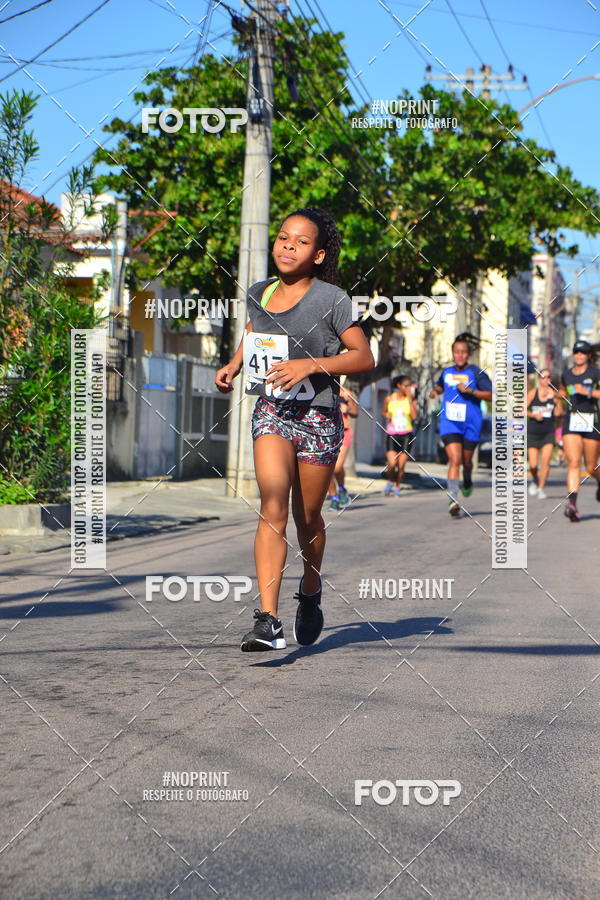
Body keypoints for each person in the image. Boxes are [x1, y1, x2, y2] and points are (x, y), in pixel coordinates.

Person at [215, 207, 374, 651]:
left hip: (319, 418)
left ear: (319, 254)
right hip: (272, 410)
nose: (288, 245)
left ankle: (310, 586)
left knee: (308, 518)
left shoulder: (333, 300)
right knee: (272, 502)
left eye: (301, 241)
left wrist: (310, 364)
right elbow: (255, 329)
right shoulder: (259, 291)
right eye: (283, 237)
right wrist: (234, 362)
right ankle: (267, 620)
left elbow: (363, 357)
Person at [429, 334, 492, 517]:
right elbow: (440, 387)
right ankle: (453, 499)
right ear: (453, 353)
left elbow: (491, 395)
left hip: (471, 423)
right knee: (454, 459)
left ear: (468, 354)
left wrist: (471, 391)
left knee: (466, 462)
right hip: (450, 423)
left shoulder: (476, 373)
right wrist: (435, 392)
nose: (460, 355)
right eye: (457, 352)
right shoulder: (447, 372)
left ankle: (467, 477)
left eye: (463, 352)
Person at [558, 339, 600, 522]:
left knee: (591, 467)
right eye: (576, 352)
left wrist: (588, 392)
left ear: (589, 356)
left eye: (583, 352)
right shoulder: (567, 374)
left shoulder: (596, 373)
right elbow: (563, 391)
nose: (579, 355)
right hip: (572, 421)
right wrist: (560, 397)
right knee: (573, 462)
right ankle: (572, 504)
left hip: (591, 420)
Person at [527, 368, 561, 499]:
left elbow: (558, 414)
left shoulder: (554, 394)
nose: (546, 379)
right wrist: (533, 415)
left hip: (548, 431)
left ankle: (541, 488)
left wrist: (555, 400)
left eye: (548, 377)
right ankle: (535, 480)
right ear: (538, 379)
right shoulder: (532, 393)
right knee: (534, 465)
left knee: (545, 462)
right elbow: (520, 409)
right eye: (543, 377)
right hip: (533, 431)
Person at [382, 375, 418, 497]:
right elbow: (384, 412)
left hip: (406, 435)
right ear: (399, 386)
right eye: (406, 385)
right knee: (392, 464)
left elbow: (414, 417)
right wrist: (387, 415)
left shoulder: (411, 399)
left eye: (409, 386)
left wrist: (410, 400)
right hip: (392, 434)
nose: (408, 388)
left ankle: (397, 485)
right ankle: (390, 480)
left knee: (401, 466)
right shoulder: (389, 399)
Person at [327, 384, 358, 510]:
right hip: (326, 431)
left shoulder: (345, 392)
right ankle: (334, 497)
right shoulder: (323, 388)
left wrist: (348, 407)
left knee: (337, 467)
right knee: (327, 468)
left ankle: (342, 489)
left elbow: (355, 413)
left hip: (343, 431)